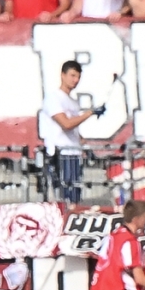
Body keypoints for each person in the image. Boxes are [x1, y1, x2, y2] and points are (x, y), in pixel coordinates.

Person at [41, 58, 101, 202]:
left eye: (78, 77)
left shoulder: (73, 101)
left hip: (74, 153)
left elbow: (73, 129)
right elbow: (66, 124)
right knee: (64, 196)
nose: (75, 80)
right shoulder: (54, 98)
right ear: (63, 75)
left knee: (75, 195)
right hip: (60, 154)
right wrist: (89, 113)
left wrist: (83, 143)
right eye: (72, 75)